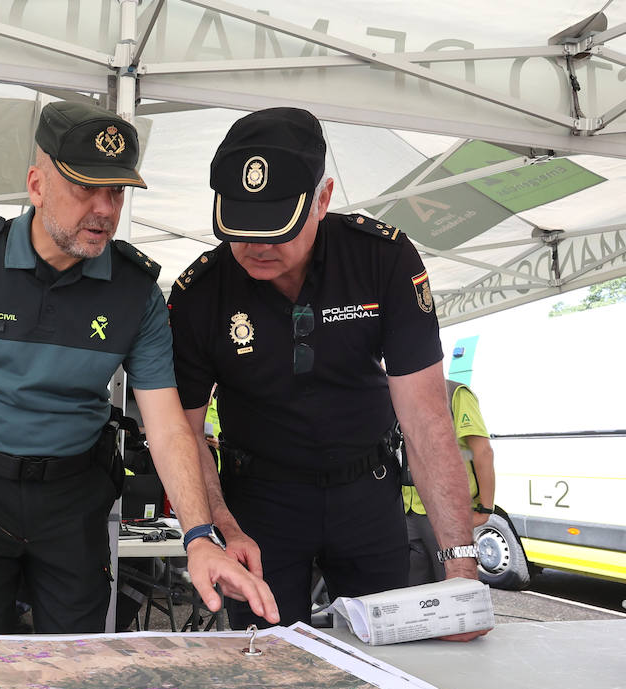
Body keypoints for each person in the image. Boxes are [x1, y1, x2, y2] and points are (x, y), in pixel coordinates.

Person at [0, 99, 276, 635]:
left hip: (73, 502)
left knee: (79, 664)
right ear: (37, 185)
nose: (106, 209)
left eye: (115, 191)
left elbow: (166, 426)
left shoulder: (135, 291)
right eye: (85, 187)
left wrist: (199, 536)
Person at [166, 106, 486, 640]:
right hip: (258, 507)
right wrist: (223, 527)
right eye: (241, 229)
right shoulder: (201, 293)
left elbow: (426, 419)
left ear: (322, 199)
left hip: (367, 491)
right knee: (266, 659)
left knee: (386, 658)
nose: (257, 247)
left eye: (276, 229)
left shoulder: (382, 259)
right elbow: (185, 431)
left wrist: (460, 567)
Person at [404, 379, 495, 583]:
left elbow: (482, 452)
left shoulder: (455, 392)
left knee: (453, 584)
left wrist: (486, 508)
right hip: (407, 509)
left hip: (446, 509)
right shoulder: (395, 392)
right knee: (415, 591)